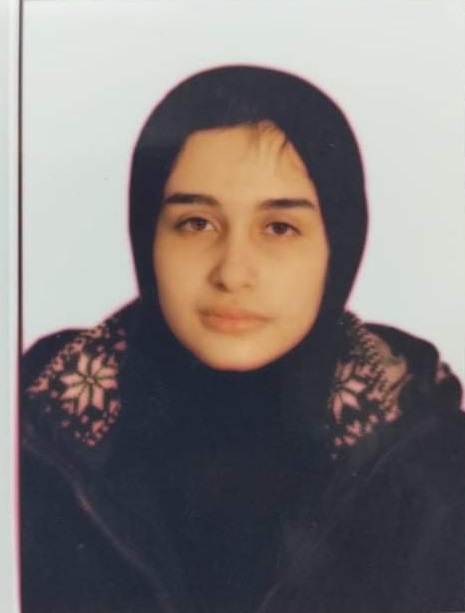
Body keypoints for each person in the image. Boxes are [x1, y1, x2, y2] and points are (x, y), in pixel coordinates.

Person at [21, 65, 465, 613]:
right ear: (146, 236)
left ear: (339, 247)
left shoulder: (434, 465)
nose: (232, 272)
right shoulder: (31, 444)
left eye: (279, 228)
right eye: (196, 223)